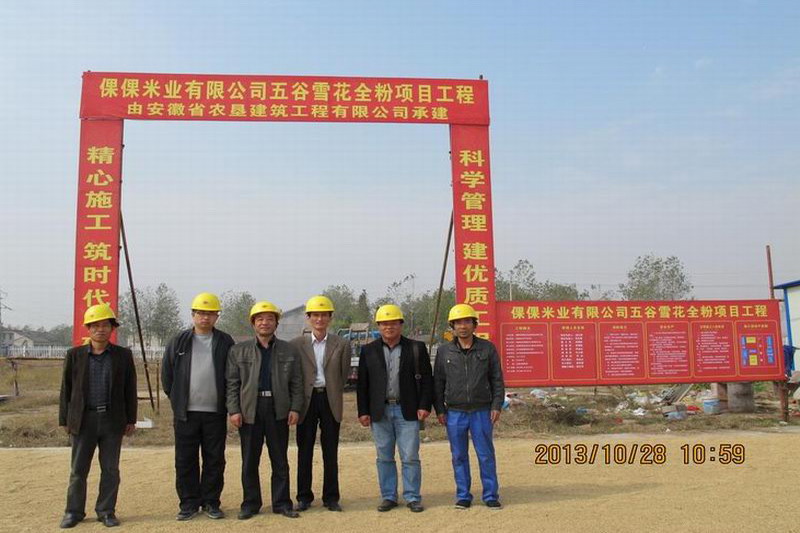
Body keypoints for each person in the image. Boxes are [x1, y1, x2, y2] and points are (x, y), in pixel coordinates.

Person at [58, 304, 137, 528]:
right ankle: (73, 512)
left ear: (112, 328)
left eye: (105, 325)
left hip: (112, 420)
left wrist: (130, 419)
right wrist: (65, 419)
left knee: (110, 469)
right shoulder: (75, 355)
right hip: (84, 420)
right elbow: (66, 389)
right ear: (88, 329)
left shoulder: (123, 356)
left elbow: (129, 389)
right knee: (78, 470)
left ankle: (106, 511)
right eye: (95, 326)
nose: (100, 329)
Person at [226, 301, 304, 520]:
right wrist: (234, 410)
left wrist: (295, 408)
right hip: (249, 410)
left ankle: (282, 503)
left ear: (276, 323)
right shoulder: (238, 351)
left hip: (278, 409)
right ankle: (250, 503)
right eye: (260, 319)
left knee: (280, 460)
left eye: (270, 319)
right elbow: (232, 383)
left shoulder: (289, 350)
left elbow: (297, 382)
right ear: (253, 323)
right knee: (250, 460)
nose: (265, 323)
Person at [161, 292, 235, 521]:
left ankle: (211, 502)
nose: (205, 317)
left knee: (215, 460)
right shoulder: (179, 341)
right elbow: (167, 375)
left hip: (215, 412)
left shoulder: (225, 341)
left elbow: (232, 375)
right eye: (201, 313)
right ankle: (188, 503)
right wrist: (177, 399)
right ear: (193, 315)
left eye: (210, 313)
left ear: (217, 317)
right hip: (186, 414)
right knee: (185, 460)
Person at [356, 304, 433, 513]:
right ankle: (389, 496)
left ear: (401, 324)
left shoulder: (416, 348)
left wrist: (424, 405)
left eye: (393, 323)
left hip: (407, 410)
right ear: (378, 326)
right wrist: (363, 411)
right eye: (384, 323)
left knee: (410, 456)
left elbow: (427, 379)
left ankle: (412, 497)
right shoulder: (369, 350)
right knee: (384, 456)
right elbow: (362, 384)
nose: (389, 327)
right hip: (379, 411)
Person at [434, 304, 505, 510]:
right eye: (458, 323)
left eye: (467, 322)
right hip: (455, 412)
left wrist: (496, 405)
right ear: (452, 326)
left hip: (482, 411)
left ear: (475, 325)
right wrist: (440, 409)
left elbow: (497, 379)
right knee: (458, 456)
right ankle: (463, 495)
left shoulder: (487, 349)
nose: (462, 326)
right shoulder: (444, 351)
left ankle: (490, 495)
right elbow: (438, 382)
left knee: (485, 454)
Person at [290, 296, 351, 512]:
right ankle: (304, 497)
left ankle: (331, 497)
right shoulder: (296, 345)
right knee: (304, 450)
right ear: (308, 318)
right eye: (315, 315)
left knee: (330, 451)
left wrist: (331, 389)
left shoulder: (341, 344)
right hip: (306, 401)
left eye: (324, 315)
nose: (319, 319)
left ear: (330, 318)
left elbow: (343, 375)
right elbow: (294, 376)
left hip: (330, 399)